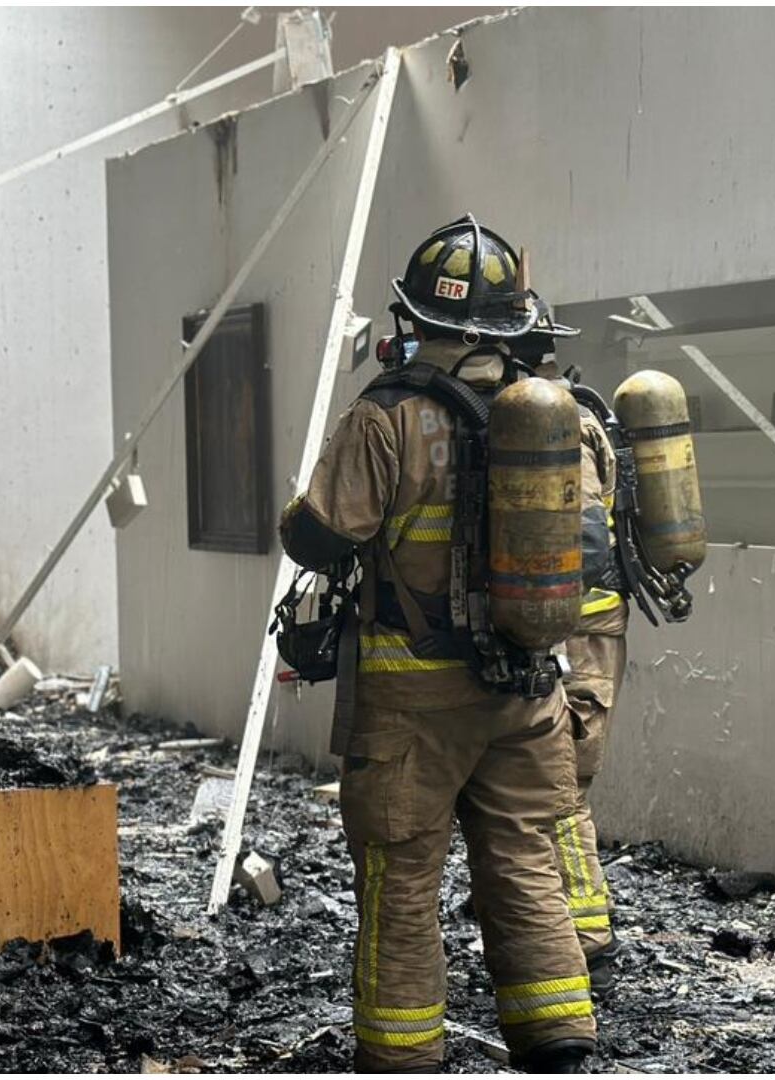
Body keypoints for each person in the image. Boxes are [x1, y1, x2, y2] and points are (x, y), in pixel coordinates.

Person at [278, 216, 598, 1073]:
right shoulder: (550, 416)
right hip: (529, 691)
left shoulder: (387, 420)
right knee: (526, 857)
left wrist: (296, 507)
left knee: (402, 880)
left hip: (412, 698)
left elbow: (317, 539)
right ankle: (557, 1030)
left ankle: (402, 1054)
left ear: (417, 319)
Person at [547, 376, 628, 989]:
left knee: (563, 789)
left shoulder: (558, 425)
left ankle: (588, 939)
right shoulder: (574, 417)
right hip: (576, 632)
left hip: (579, 633)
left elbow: (585, 543)